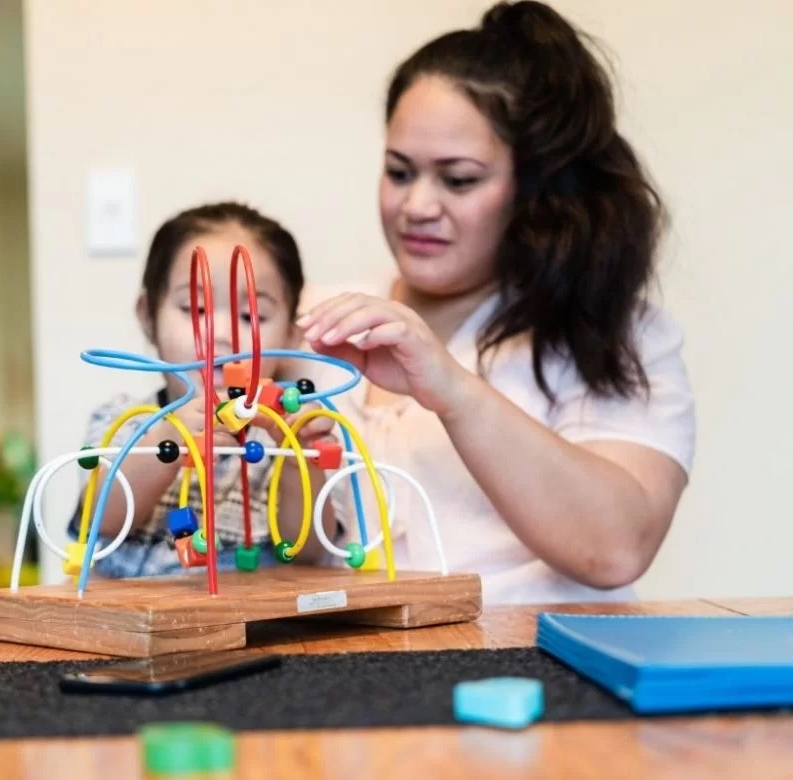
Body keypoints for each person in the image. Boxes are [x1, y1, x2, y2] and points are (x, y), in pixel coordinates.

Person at [284, 1, 697, 604]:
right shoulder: (315, 322)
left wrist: (450, 388)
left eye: (459, 179)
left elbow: (616, 548)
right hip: (351, 677)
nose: (417, 206)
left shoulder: (615, 334)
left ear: (533, 188)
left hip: (542, 673)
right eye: (400, 172)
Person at [69, 201, 324, 577]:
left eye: (250, 316)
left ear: (291, 335)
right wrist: (167, 439)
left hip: (253, 626)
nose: (222, 336)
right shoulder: (121, 421)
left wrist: (297, 459)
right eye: (195, 309)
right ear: (147, 316)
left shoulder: (288, 429)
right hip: (134, 627)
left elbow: (312, 552)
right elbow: (101, 518)